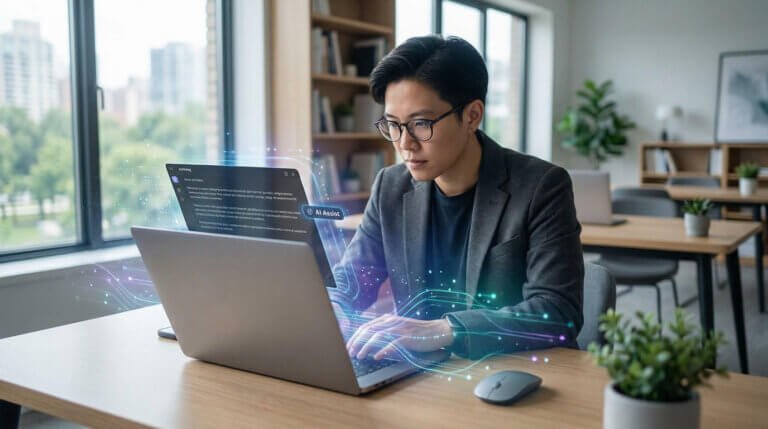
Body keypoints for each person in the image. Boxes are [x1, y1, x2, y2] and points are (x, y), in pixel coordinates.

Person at [331, 35, 583, 362]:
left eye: (421, 124)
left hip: (513, 374)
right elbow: (350, 281)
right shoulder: (390, 187)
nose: (404, 143)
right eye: (393, 125)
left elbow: (558, 311)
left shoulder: (541, 187)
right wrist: (333, 307)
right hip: (422, 376)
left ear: (472, 115)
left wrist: (446, 330)